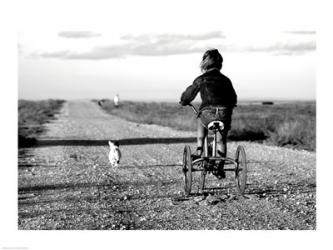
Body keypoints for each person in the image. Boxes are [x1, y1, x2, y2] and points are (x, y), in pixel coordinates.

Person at [179, 49, 237, 178]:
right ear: (220, 63)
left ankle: (200, 149)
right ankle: (219, 167)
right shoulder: (226, 80)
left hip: (207, 113)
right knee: (221, 140)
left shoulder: (201, 79)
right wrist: (230, 105)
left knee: (200, 117)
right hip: (223, 112)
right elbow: (233, 98)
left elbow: (189, 95)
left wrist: (183, 101)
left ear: (205, 63)